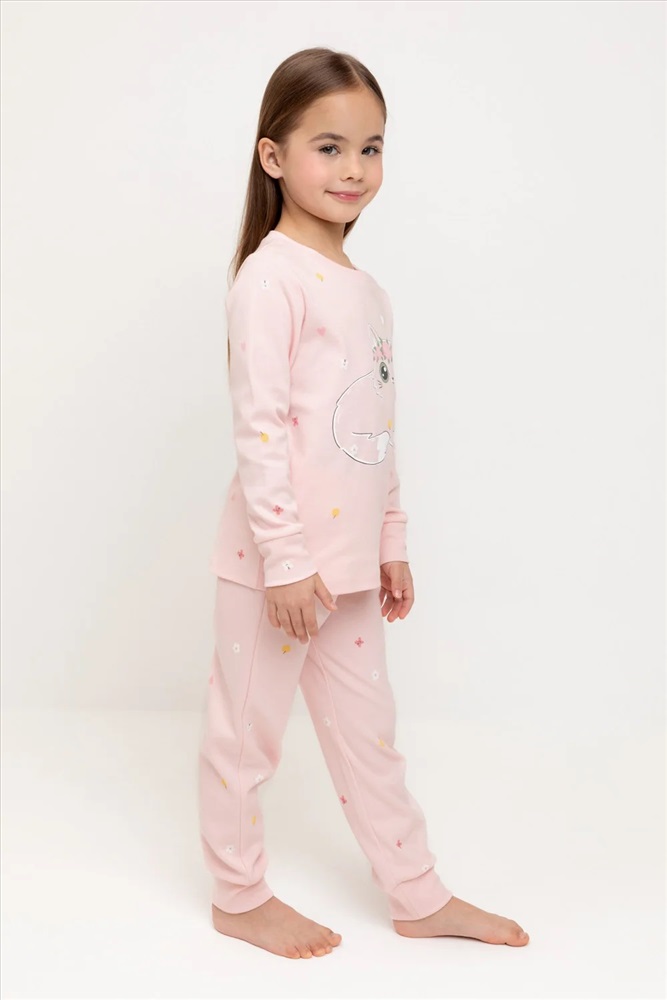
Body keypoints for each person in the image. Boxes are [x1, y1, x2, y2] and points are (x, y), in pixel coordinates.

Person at [198, 46, 530, 960]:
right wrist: (285, 561)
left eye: (371, 148)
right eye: (329, 148)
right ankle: (237, 895)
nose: (353, 170)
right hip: (274, 570)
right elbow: (260, 431)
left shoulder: (368, 294)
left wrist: (391, 540)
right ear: (274, 157)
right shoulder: (269, 279)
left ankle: (416, 895)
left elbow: (373, 432)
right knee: (245, 738)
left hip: (345, 572)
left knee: (370, 741)